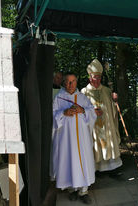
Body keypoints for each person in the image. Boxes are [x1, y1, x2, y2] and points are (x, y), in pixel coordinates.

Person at [51, 73, 97, 204]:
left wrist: (83, 110)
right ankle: (71, 189)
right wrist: (64, 112)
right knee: (69, 160)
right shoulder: (58, 98)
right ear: (64, 83)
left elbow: (92, 112)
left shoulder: (83, 98)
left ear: (77, 82)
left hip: (82, 138)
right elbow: (52, 116)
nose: (70, 84)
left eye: (73, 81)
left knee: (83, 161)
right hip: (66, 138)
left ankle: (84, 191)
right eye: (67, 82)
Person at [81, 59, 122, 174]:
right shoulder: (84, 92)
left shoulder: (107, 91)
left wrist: (115, 101)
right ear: (90, 78)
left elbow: (113, 108)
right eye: (95, 78)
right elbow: (81, 111)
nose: (97, 80)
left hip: (107, 124)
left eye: (99, 78)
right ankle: (96, 169)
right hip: (93, 125)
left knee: (109, 142)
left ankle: (112, 168)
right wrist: (91, 112)